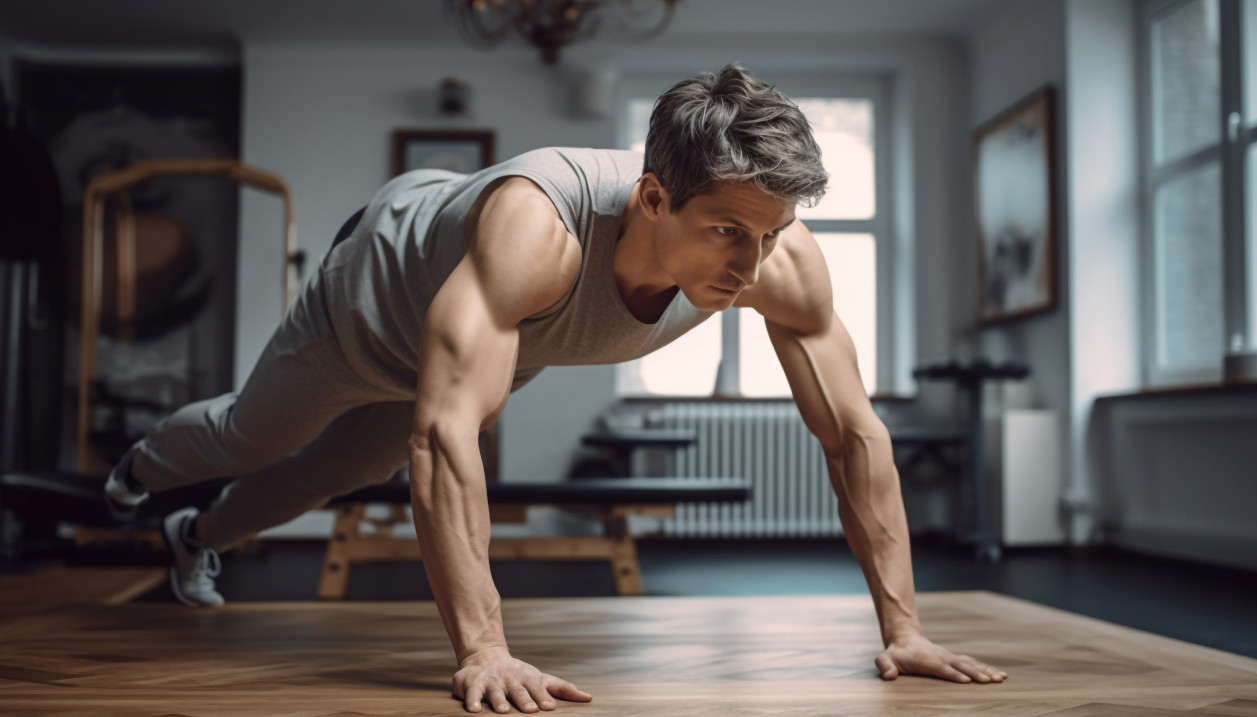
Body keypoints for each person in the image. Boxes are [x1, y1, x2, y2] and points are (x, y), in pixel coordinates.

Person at [104, 64, 1007, 713]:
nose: (752, 263)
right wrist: (484, 648)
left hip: (489, 335)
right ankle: (140, 471)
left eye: (769, 235)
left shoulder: (777, 258)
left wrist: (904, 626)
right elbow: (446, 438)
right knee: (250, 436)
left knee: (324, 479)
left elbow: (854, 436)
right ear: (652, 199)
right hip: (367, 308)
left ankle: (195, 534)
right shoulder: (541, 231)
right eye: (728, 231)